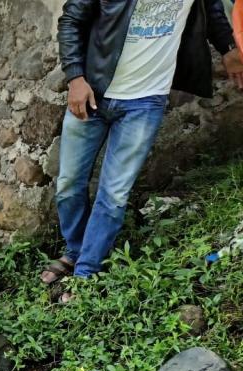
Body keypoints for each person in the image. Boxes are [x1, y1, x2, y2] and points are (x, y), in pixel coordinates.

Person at [46, 0, 242, 300]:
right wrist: (75, 77)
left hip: (146, 102)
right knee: (69, 184)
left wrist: (228, 47)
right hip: (94, 90)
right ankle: (74, 250)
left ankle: (85, 272)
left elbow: (211, 9)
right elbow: (71, 18)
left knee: (113, 195)